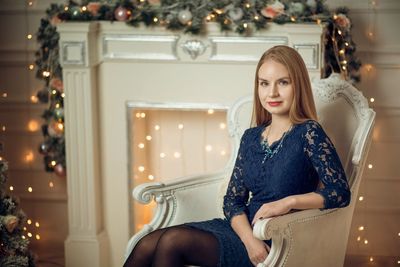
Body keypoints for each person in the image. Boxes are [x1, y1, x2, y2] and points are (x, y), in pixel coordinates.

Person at [123, 45, 351, 267]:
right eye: (264, 83)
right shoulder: (251, 137)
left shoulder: (309, 133)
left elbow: (340, 192)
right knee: (147, 244)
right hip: (242, 232)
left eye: (283, 82)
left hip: (276, 237)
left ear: (298, 85)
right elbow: (233, 200)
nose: (272, 92)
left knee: (173, 242)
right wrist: (249, 240)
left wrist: (288, 203)